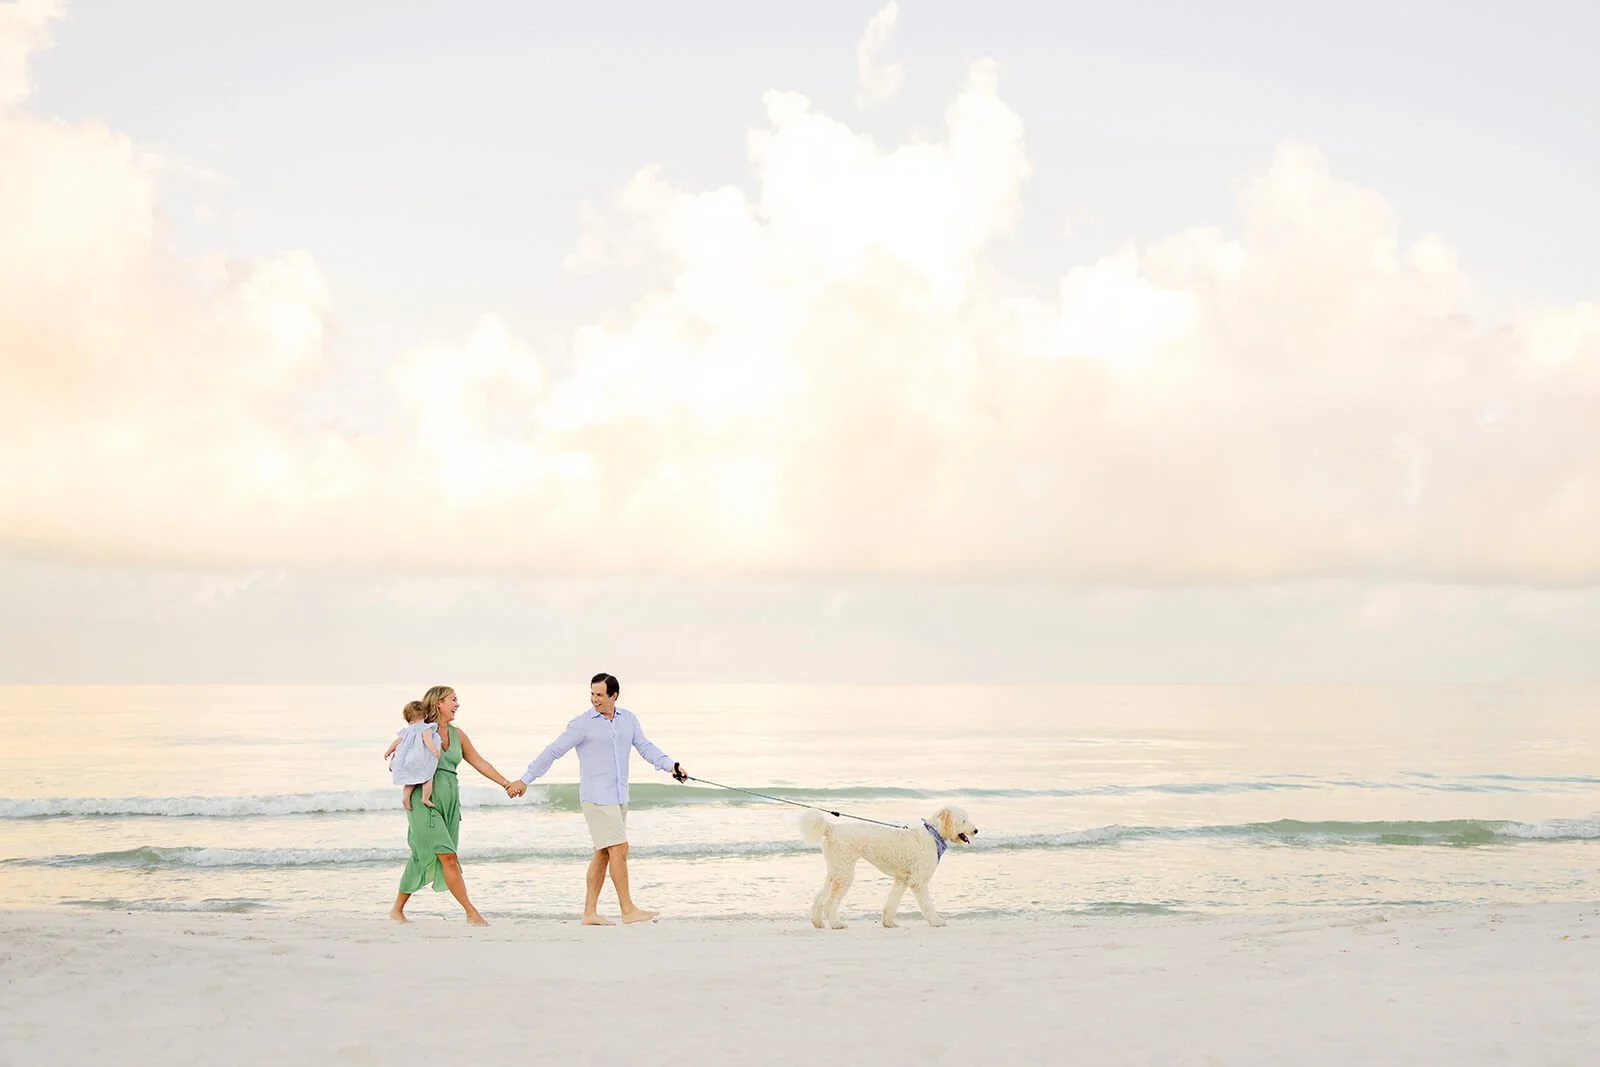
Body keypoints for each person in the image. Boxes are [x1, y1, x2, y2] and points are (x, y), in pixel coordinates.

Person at [506, 672, 688, 925]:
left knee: (603, 852)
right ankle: (627, 910)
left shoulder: (629, 720)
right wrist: (525, 779)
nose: (594, 699)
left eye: (600, 695)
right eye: (592, 694)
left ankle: (589, 913)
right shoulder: (582, 723)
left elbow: (645, 748)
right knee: (620, 848)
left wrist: (671, 766)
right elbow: (553, 751)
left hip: (618, 796)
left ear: (614, 695)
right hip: (596, 797)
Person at [390, 685, 518, 927]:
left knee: (423, 856)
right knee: (447, 856)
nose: (457, 704)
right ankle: (471, 913)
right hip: (423, 801)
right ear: (438, 703)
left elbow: (479, 761)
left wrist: (505, 783)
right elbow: (401, 755)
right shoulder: (421, 731)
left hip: (449, 802)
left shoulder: (458, 734)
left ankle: (397, 909)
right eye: (453, 700)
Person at [383, 699, 442, 810]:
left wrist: (388, 751)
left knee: (409, 780)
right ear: (425, 715)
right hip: (420, 758)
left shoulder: (406, 731)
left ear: (407, 718)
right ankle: (425, 798)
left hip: (408, 759)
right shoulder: (426, 728)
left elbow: (396, 742)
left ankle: (405, 798)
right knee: (428, 776)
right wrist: (434, 750)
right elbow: (427, 740)